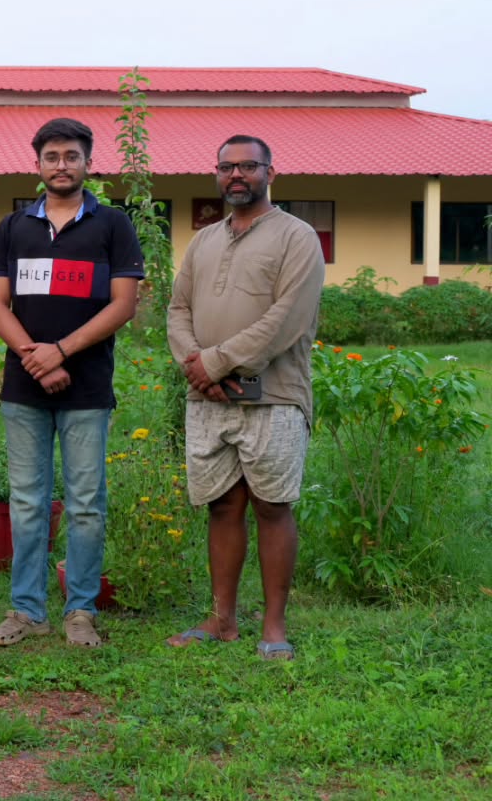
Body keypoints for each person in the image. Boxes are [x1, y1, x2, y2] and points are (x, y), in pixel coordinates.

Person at [0, 118, 144, 650]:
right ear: (38, 165)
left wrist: (62, 352)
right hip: (24, 388)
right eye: (51, 156)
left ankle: (80, 610)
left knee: (85, 502)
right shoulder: (12, 229)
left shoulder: (113, 225)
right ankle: (27, 610)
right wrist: (35, 358)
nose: (61, 165)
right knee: (27, 501)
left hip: (87, 388)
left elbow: (123, 305)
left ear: (87, 162)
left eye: (71, 156)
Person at [166, 136, 323, 661]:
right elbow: (177, 310)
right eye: (227, 166)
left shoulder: (297, 238)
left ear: (270, 172)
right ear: (216, 173)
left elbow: (288, 319)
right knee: (222, 505)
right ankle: (222, 618)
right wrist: (198, 366)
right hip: (208, 399)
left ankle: (274, 626)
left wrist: (215, 362)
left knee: (272, 506)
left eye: (248, 166)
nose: (237, 175)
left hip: (274, 397)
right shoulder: (204, 241)